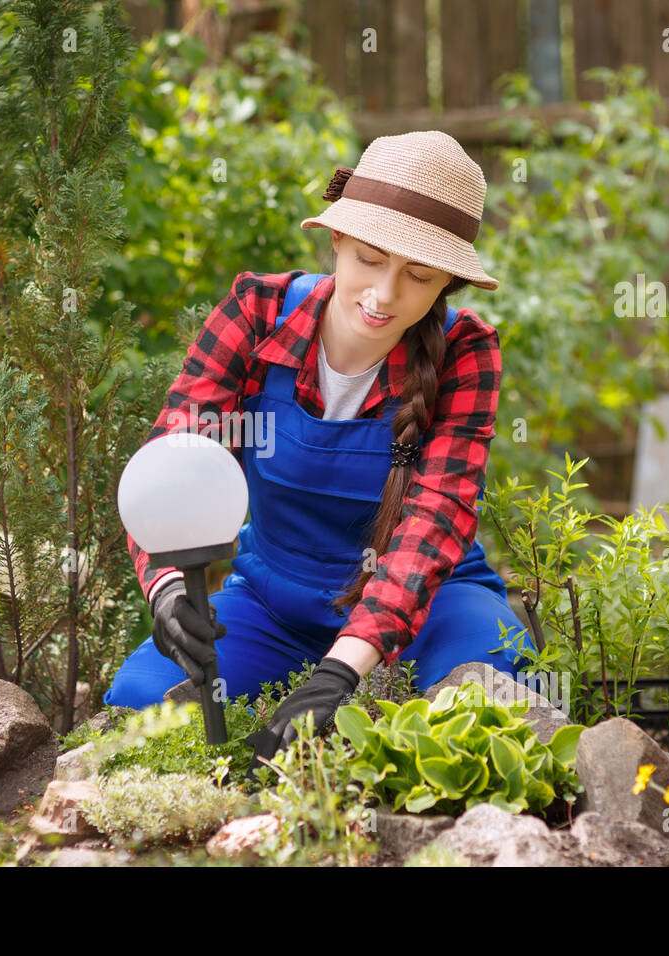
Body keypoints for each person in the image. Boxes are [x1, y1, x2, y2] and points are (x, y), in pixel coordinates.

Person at [105, 130, 535, 765]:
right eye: (368, 259)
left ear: (447, 280)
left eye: (418, 275)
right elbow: (171, 459)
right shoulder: (257, 314)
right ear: (336, 238)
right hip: (273, 604)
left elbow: (436, 520)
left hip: (430, 602)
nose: (384, 294)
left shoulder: (466, 353)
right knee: (140, 711)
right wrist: (168, 589)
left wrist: (340, 672)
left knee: (489, 712)